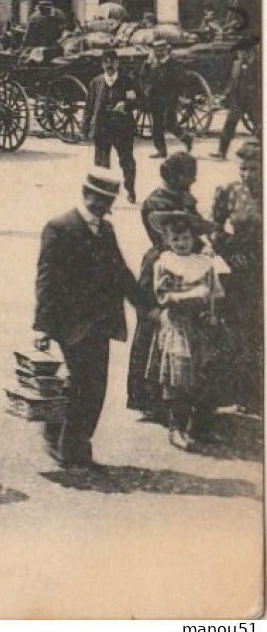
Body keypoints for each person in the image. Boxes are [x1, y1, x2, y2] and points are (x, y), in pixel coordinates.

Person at [32, 172, 157, 467]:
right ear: (85, 193)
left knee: (95, 385)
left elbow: (121, 272)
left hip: (101, 321)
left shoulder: (106, 230)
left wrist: (145, 306)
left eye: (108, 200)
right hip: (69, 322)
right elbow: (45, 279)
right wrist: (43, 327)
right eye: (97, 198)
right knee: (81, 383)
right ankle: (71, 449)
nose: (101, 204)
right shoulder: (59, 228)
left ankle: (61, 433)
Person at [143, 210, 230, 450]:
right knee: (178, 375)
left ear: (194, 239)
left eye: (185, 239)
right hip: (178, 322)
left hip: (200, 324)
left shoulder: (204, 263)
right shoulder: (165, 263)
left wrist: (210, 308)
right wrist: (188, 296)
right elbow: (162, 296)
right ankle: (176, 428)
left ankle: (199, 427)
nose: (181, 244)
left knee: (203, 374)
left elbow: (216, 292)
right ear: (168, 240)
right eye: (175, 239)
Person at [128, 152, 202, 417]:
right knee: (153, 330)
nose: (193, 180)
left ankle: (166, 397)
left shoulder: (179, 198)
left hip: (179, 264)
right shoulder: (158, 202)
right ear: (177, 176)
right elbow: (169, 237)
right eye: (189, 175)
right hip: (161, 268)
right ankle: (148, 398)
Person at [212, 139, 263, 416]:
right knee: (242, 333)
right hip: (242, 273)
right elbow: (214, 230)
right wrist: (231, 253)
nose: (247, 174)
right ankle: (246, 394)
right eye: (242, 169)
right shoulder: (229, 192)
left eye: (253, 168)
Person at [84, 48, 140, 203]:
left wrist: (127, 104)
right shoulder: (96, 83)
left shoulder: (127, 81)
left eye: (113, 62)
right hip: (102, 128)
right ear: (102, 65)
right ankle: (102, 195)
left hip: (122, 129)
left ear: (118, 63)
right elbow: (89, 106)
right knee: (101, 164)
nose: (110, 66)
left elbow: (142, 101)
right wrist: (85, 128)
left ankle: (130, 190)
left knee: (127, 161)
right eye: (106, 62)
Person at [143, 38, 193, 160]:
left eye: (161, 50)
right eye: (156, 50)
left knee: (169, 124)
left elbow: (182, 82)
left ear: (167, 50)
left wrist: (181, 97)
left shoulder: (174, 65)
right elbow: (145, 78)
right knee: (156, 125)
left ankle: (186, 138)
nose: (158, 53)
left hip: (169, 98)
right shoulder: (153, 64)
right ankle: (161, 150)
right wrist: (147, 66)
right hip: (155, 98)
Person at [214, 36, 260, 160]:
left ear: (250, 50)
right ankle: (221, 152)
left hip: (253, 99)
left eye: (242, 51)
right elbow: (233, 81)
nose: (240, 53)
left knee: (259, 124)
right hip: (238, 99)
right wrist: (226, 95)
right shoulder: (237, 63)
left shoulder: (260, 62)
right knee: (229, 124)